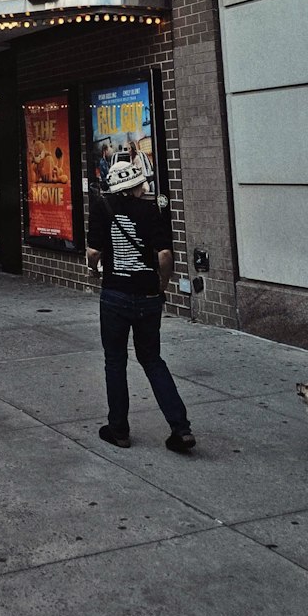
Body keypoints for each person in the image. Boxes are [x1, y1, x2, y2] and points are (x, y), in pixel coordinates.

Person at [86, 159, 196, 453]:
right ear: (137, 184)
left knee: (115, 361)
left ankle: (119, 430)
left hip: (114, 295)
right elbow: (164, 256)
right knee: (152, 359)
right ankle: (180, 428)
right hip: (148, 297)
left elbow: (94, 252)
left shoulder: (101, 207)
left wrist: (93, 268)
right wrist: (162, 285)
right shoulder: (154, 209)